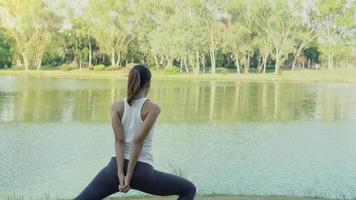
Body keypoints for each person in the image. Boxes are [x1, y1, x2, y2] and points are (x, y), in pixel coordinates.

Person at [75, 64, 196, 200]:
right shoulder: (153, 108)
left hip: (114, 169)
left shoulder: (116, 107)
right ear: (149, 84)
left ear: (130, 81)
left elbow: (120, 141)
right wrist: (129, 176)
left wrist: (120, 174)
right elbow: (137, 142)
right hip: (141, 171)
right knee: (189, 189)